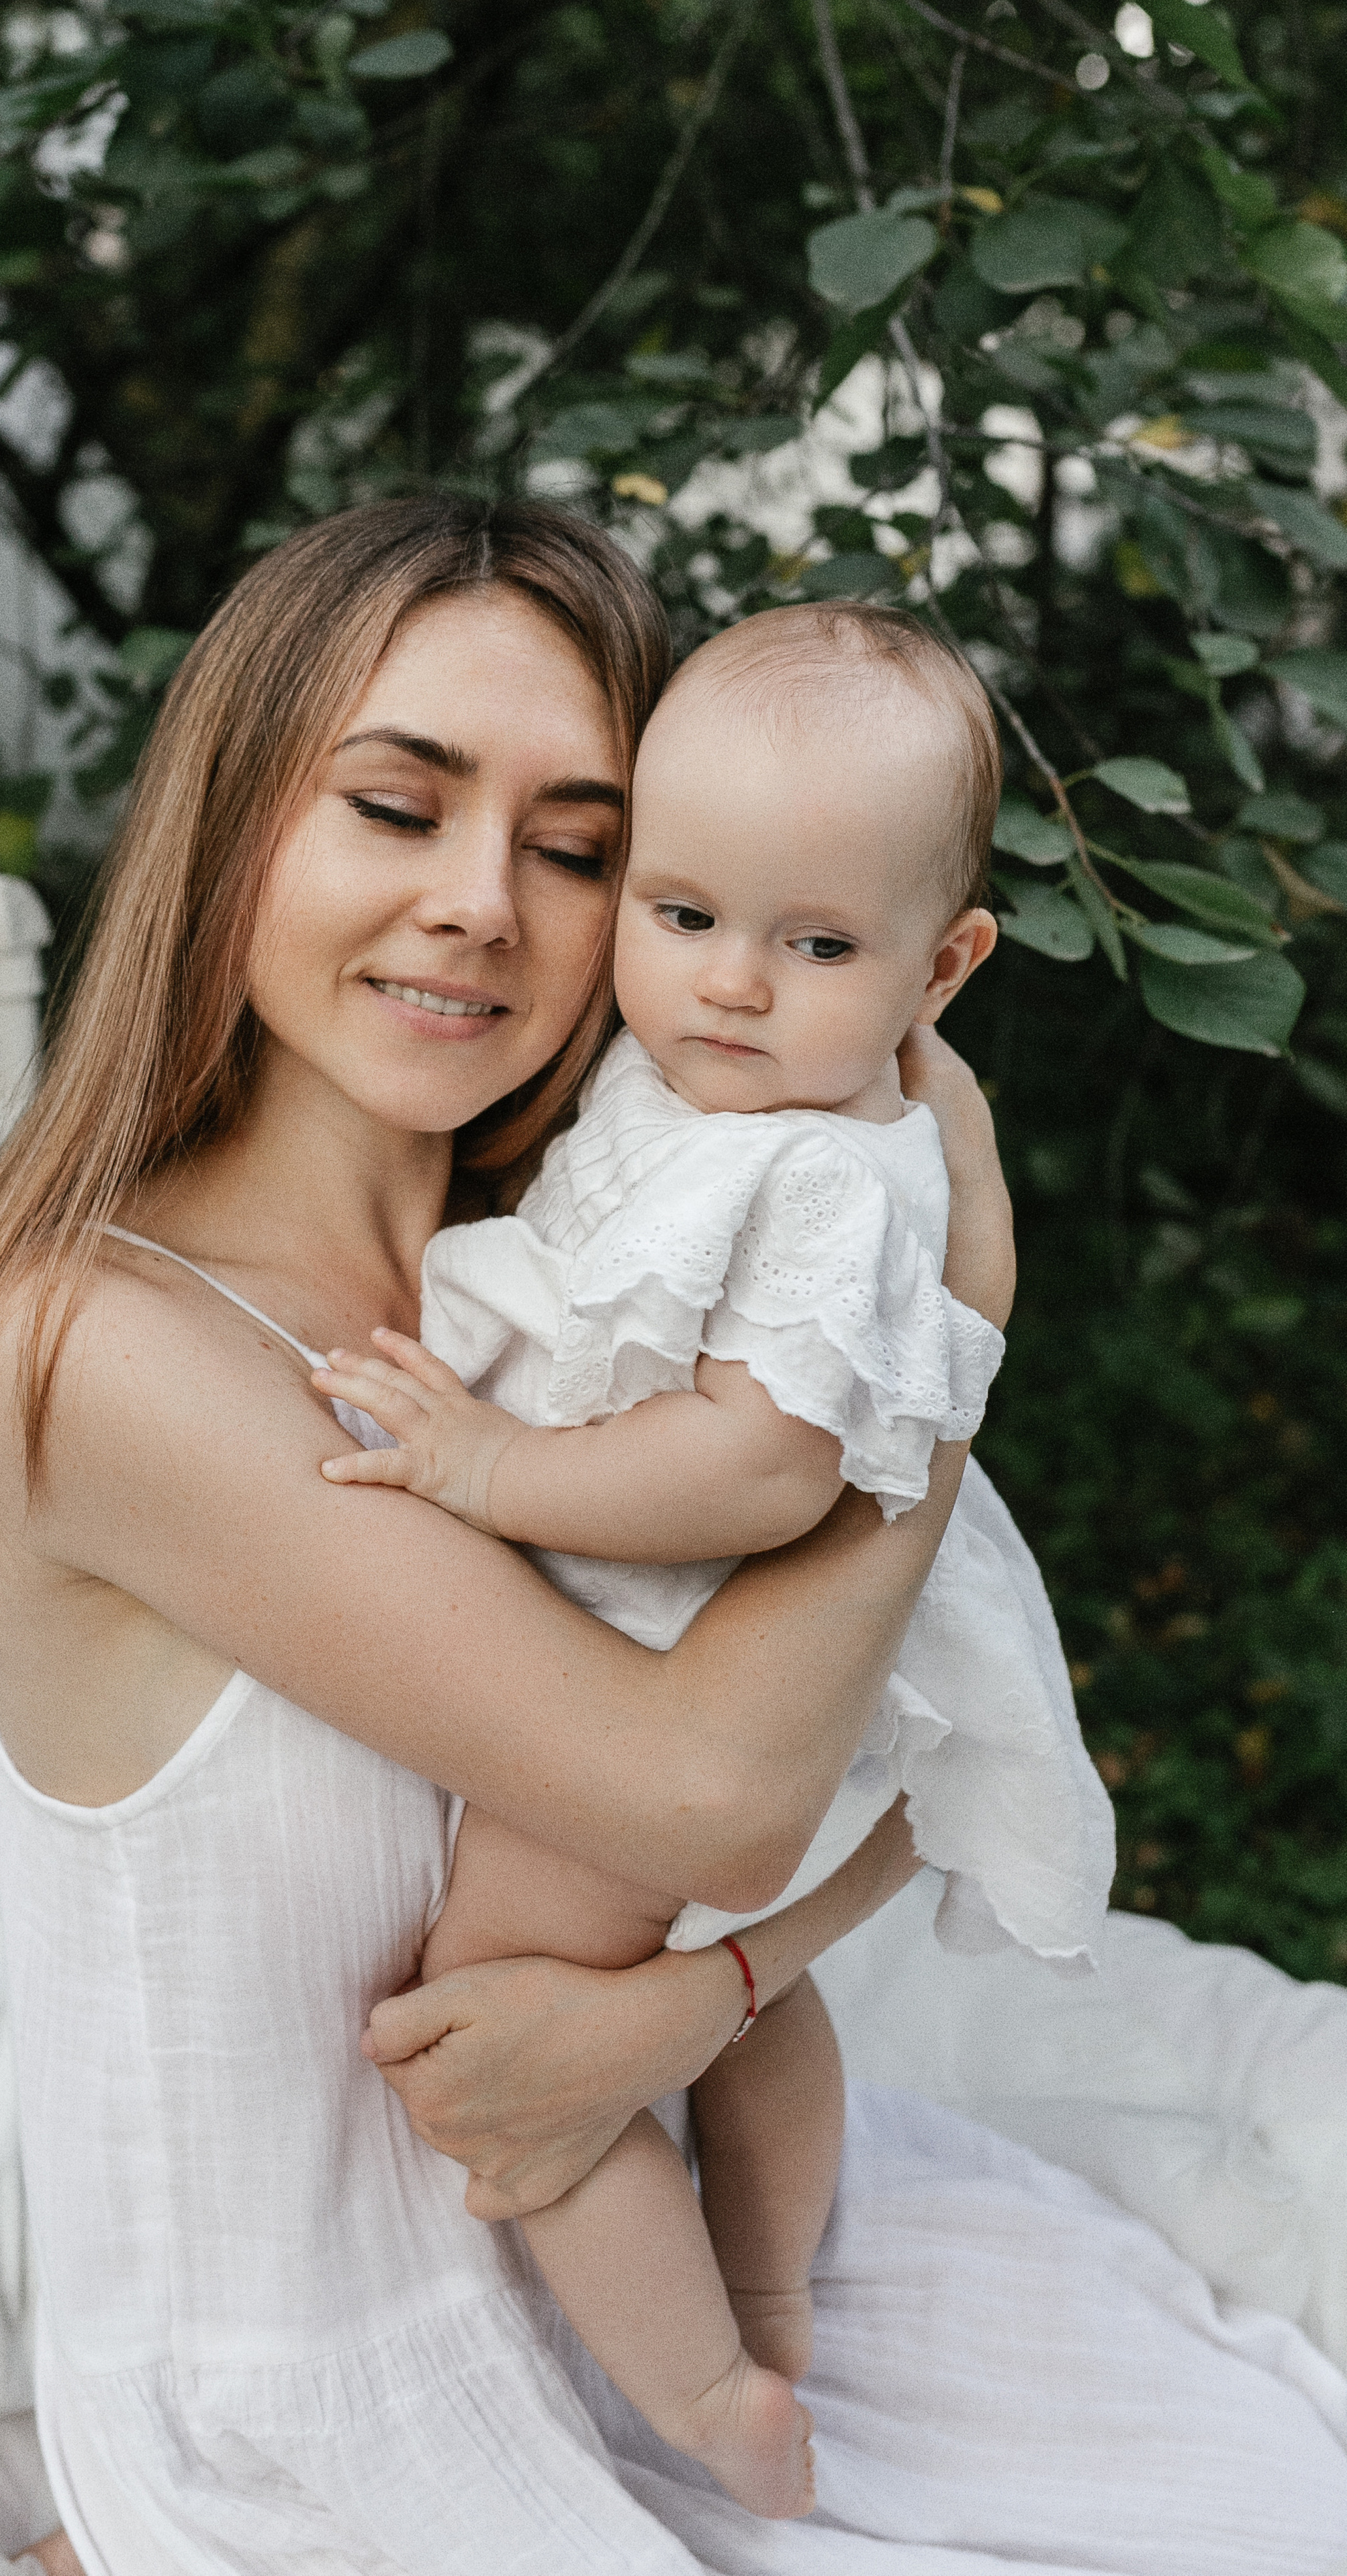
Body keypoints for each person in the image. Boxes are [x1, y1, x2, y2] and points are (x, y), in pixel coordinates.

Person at [0, 497, 1017, 2572]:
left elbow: (931, 1750)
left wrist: (701, 2004)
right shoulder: (92, 1350)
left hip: (618, 2301)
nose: (483, 903)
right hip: (309, 2419)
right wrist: (956, 1325)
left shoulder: (571, 1296)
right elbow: (714, 1791)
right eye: (395, 806)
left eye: (577, 848)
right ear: (232, 825)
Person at [310, 602, 1115, 2516]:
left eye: (821, 945)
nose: (736, 986)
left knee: (507, 1996)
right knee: (752, 2011)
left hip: (694, 1621)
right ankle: (773, 2292)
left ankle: (703, 2397)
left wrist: (496, 1467)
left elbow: (758, 1472)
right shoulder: (716, 1091)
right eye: (681, 917)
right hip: (727, 1627)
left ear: (949, 963)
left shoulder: (832, 1177)